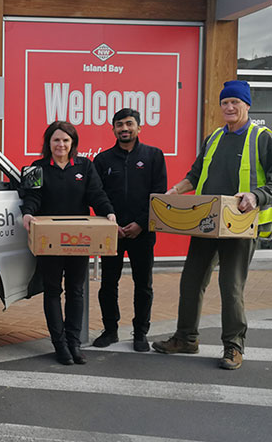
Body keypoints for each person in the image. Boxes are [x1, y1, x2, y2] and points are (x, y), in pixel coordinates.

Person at [152, 80, 272, 370]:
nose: (229, 107)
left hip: (240, 225)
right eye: (225, 103)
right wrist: (175, 191)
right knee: (191, 281)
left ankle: (234, 346)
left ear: (247, 105)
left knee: (231, 287)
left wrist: (255, 196)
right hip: (207, 222)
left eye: (235, 102)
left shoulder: (263, 138)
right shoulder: (214, 138)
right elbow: (195, 174)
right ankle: (186, 338)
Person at [21, 121, 116, 366]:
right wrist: (28, 213)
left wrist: (108, 212)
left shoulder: (85, 166)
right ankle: (60, 344)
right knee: (53, 290)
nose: (61, 144)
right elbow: (32, 197)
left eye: (65, 140)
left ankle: (74, 343)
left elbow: (96, 194)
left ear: (72, 143)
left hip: (79, 238)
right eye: (56, 140)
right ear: (49, 143)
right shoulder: (36, 168)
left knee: (76, 290)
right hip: (49, 239)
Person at [93, 108, 167, 352]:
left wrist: (141, 224)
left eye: (129, 124)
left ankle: (140, 333)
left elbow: (158, 194)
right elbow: (97, 195)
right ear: (113, 129)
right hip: (112, 232)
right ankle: (110, 330)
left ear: (139, 127)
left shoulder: (154, 156)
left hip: (142, 232)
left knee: (143, 284)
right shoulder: (102, 160)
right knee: (108, 283)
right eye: (119, 125)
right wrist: (110, 223)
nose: (124, 128)